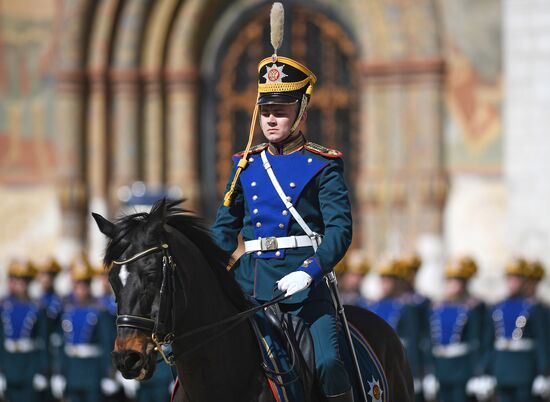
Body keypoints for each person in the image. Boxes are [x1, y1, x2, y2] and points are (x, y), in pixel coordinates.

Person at [211, 3, 353, 400]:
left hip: (304, 285)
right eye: (267, 112)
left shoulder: (322, 165)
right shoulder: (246, 164)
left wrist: (310, 272)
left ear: (301, 112)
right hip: (250, 285)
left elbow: (340, 230)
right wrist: (210, 271)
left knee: (328, 363)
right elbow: (224, 230)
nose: (272, 120)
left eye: (281, 112)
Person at [480, 258, 549, 402]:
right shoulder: (497, 307)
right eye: (509, 279)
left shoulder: (534, 307)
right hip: (502, 367)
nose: (512, 283)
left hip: (525, 369)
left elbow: (542, 341)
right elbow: (489, 341)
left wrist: (544, 372)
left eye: (516, 279)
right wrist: (485, 370)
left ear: (524, 281)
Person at [51, 254, 117, 402]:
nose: (80, 290)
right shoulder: (67, 310)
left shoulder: (100, 310)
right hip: (72, 370)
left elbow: (107, 343)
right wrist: (58, 372)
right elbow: (62, 344)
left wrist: (109, 374)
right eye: (77, 285)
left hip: (93, 371)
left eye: (84, 285)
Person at [423, 256, 486, 402]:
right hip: (441, 366)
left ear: (465, 283)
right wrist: (429, 370)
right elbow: (430, 340)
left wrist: (479, 372)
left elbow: (477, 340)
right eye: (449, 280)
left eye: (456, 280)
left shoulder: (474, 307)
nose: (451, 285)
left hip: (462, 368)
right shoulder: (436, 307)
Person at [358, 257, 422, 395]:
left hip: (399, 363)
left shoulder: (406, 307)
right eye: (383, 279)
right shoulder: (372, 305)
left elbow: (412, 340)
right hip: (377, 361)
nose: (385, 284)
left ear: (398, 282)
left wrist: (416, 372)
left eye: (390, 280)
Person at [0, 260, 49, 402]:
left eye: (25, 280)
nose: (21, 284)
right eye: (17, 279)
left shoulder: (37, 307)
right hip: (10, 364)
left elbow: (43, 341)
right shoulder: (4, 307)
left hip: (29, 365)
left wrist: (42, 370)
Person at [36, 257, 64, 402]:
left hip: (54, 356)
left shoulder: (58, 301)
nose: (46, 279)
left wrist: (58, 371)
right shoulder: (36, 301)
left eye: (50, 276)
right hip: (37, 359)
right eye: (43, 275)